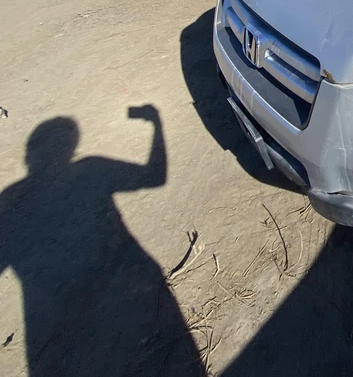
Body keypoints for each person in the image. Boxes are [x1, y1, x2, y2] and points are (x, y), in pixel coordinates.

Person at [0, 106, 202, 376]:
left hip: (57, 333)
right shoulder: (91, 168)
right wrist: (157, 124)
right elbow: (156, 176)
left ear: (28, 155)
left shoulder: (11, 197)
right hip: (135, 299)